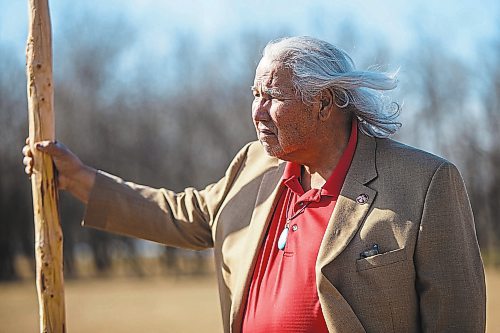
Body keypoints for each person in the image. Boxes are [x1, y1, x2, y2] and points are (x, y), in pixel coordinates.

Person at [23, 36, 486, 333]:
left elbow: (457, 320)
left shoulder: (425, 184)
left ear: (323, 103)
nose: (257, 112)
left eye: (273, 97)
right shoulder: (253, 165)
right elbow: (186, 215)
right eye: (254, 96)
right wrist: (80, 179)